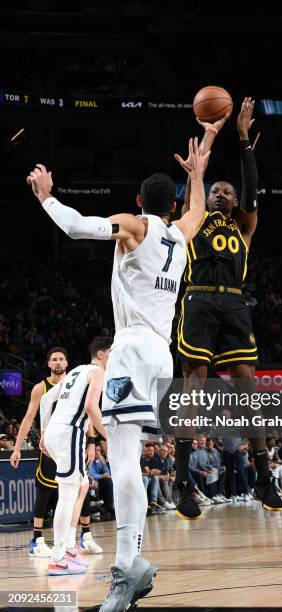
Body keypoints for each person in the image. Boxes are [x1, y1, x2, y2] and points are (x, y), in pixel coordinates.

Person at [27, 135, 209, 610]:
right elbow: (198, 212)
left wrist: (47, 195)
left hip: (129, 349)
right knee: (127, 454)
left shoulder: (135, 226)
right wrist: (199, 167)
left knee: (124, 458)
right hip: (162, 355)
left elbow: (77, 228)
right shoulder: (179, 234)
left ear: (138, 202)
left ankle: (130, 566)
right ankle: (131, 565)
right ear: (171, 204)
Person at [174, 97, 282, 519]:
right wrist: (204, 154)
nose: (219, 194)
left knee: (247, 392)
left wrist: (244, 140)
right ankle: (183, 484)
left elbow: (252, 189)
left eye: (226, 191)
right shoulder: (195, 216)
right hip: (198, 297)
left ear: (236, 201)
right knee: (193, 391)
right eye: (214, 190)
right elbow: (196, 189)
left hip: (234, 304)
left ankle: (263, 478)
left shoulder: (246, 225)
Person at [43, 336, 111, 575]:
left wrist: (43, 434)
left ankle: (70, 548)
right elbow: (92, 407)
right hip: (69, 433)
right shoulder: (98, 372)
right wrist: (108, 437)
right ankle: (58, 556)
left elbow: (45, 399)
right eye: (112, 353)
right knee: (67, 495)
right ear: (102, 354)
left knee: (81, 484)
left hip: (55, 431)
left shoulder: (76, 372)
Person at [10, 347, 67, 556]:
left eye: (61, 359)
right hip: (49, 446)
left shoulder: (75, 384)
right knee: (45, 491)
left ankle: (72, 539)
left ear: (67, 363)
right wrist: (16, 448)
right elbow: (28, 418)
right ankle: (37, 540)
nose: (58, 362)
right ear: (49, 364)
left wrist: (91, 442)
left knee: (74, 491)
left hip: (70, 445)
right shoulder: (40, 388)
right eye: (54, 359)